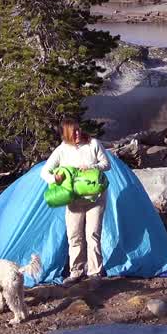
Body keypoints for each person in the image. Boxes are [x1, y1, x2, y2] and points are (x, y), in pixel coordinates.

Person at [40, 119, 110, 282]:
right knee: (74, 235)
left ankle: (94, 273)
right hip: (74, 200)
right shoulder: (62, 150)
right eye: (74, 132)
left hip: (96, 198)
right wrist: (54, 179)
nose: (78, 133)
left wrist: (93, 167)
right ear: (66, 135)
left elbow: (107, 164)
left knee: (93, 234)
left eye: (78, 130)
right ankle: (76, 272)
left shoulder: (93, 143)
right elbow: (44, 171)